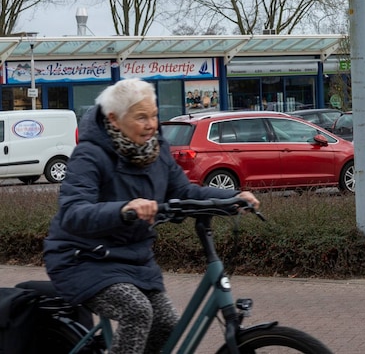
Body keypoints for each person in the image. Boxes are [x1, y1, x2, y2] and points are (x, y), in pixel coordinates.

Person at [43, 79, 259, 354]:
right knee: (137, 311)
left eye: (154, 116)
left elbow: (184, 191)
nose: (151, 125)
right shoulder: (90, 155)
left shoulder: (157, 152)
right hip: (83, 258)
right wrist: (124, 209)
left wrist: (233, 198)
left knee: (167, 323)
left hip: (133, 258)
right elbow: (73, 212)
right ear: (114, 119)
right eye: (141, 117)